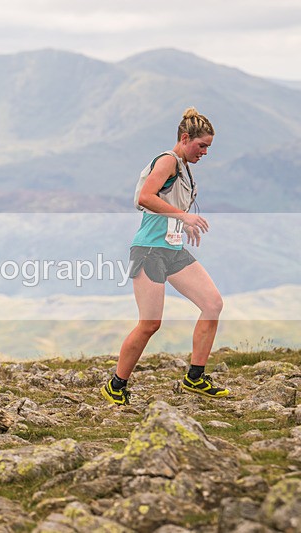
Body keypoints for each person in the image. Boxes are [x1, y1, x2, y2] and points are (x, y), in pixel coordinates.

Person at [102, 108, 228, 405]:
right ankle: (116, 385)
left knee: (212, 304)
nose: (205, 152)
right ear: (185, 138)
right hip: (148, 251)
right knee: (150, 323)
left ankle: (195, 377)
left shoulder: (184, 168)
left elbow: (166, 206)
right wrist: (183, 216)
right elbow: (145, 197)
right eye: (202, 146)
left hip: (172, 250)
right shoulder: (168, 161)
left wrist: (183, 223)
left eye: (209, 147)